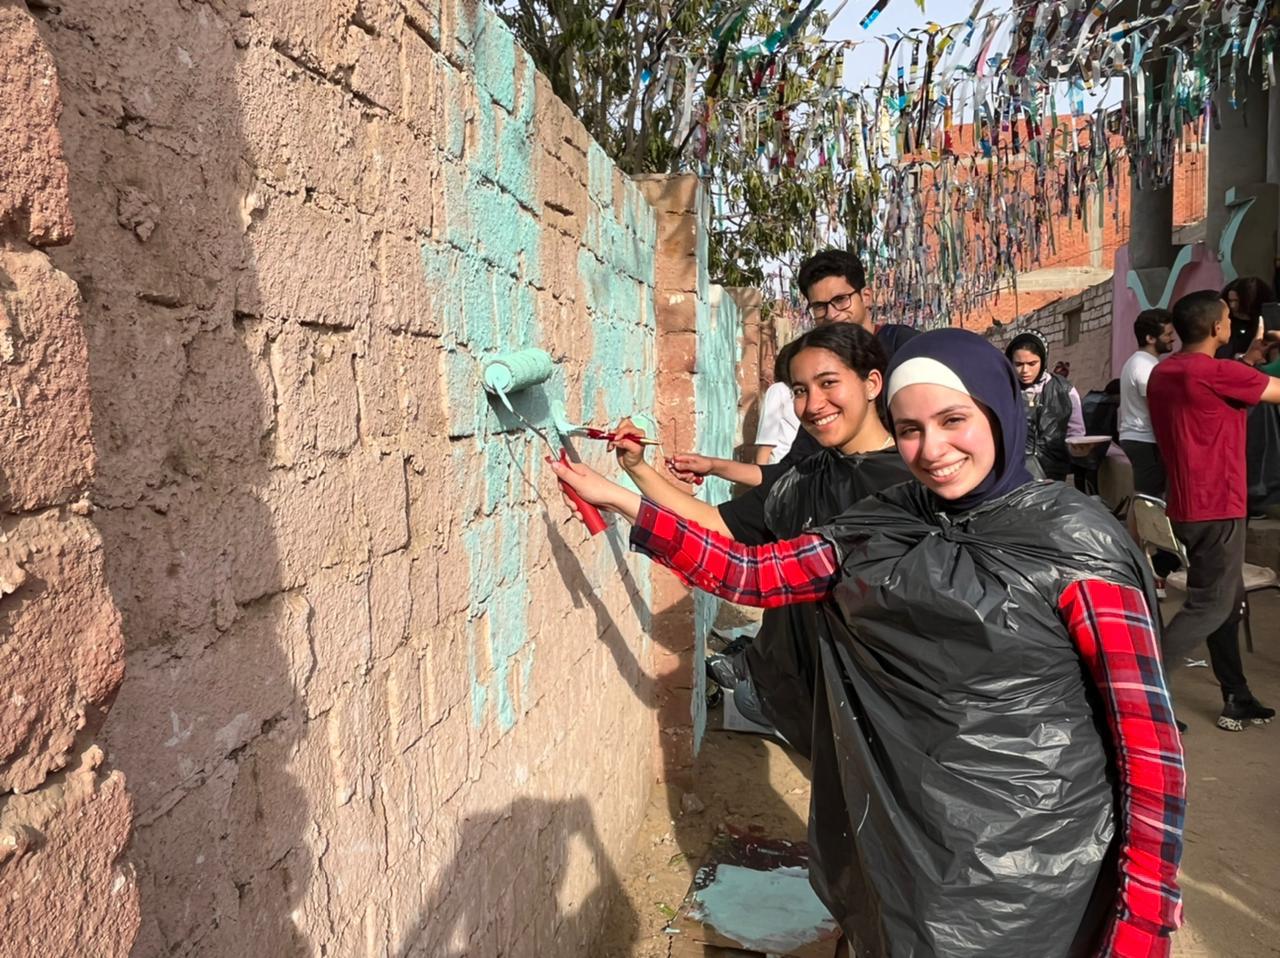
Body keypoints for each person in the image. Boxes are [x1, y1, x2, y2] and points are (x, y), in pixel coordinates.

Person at [551, 329, 1185, 957]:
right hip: (904, 836)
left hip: (1031, 866)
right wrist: (618, 497)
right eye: (910, 429)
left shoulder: (1074, 545)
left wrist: (1145, 919)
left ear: (998, 410)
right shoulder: (887, 517)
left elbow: (1146, 743)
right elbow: (751, 572)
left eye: (953, 420)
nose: (932, 449)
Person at [609, 324, 913, 753]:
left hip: (885, 709)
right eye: (800, 390)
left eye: (828, 383)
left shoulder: (910, 485)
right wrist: (636, 469)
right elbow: (713, 522)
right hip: (811, 697)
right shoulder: (808, 475)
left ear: (871, 383)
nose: (813, 405)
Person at [666, 249, 918, 487]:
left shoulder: (905, 348)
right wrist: (713, 466)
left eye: (841, 300)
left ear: (865, 297)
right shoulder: (821, 414)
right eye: (820, 306)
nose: (832, 314)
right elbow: (788, 473)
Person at [1147, 289, 1280, 731]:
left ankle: (1235, 694)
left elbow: (1218, 387)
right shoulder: (1214, 372)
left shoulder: (1168, 372)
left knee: (1227, 599)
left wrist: (1252, 358)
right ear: (1216, 328)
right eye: (1226, 318)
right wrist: (1255, 364)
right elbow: (1273, 393)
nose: (1230, 322)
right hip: (1218, 504)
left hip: (1188, 505)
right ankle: (1141, 694)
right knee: (1210, 604)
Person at [1118, 309, 1179, 583]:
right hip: (1145, 440)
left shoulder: (1141, 362)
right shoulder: (1144, 366)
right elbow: (1159, 405)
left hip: (1138, 438)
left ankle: (1138, 556)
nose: (1173, 339)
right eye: (1168, 334)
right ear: (1150, 337)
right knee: (1150, 503)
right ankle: (1147, 564)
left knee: (1142, 498)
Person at [1005, 329, 1085, 480]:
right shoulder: (1003, 390)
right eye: (1018, 364)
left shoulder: (1064, 390)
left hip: (1053, 473)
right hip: (1014, 474)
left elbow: (1076, 433)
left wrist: (1078, 448)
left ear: (1043, 360)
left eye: (1032, 363)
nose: (1025, 371)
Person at [752, 350, 801, 465]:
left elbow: (766, 442)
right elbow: (766, 443)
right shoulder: (780, 390)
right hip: (784, 466)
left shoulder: (784, 390)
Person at [1220, 276, 1274, 357]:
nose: (1232, 305)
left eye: (1236, 301)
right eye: (1230, 300)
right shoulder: (1227, 323)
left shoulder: (1269, 324)